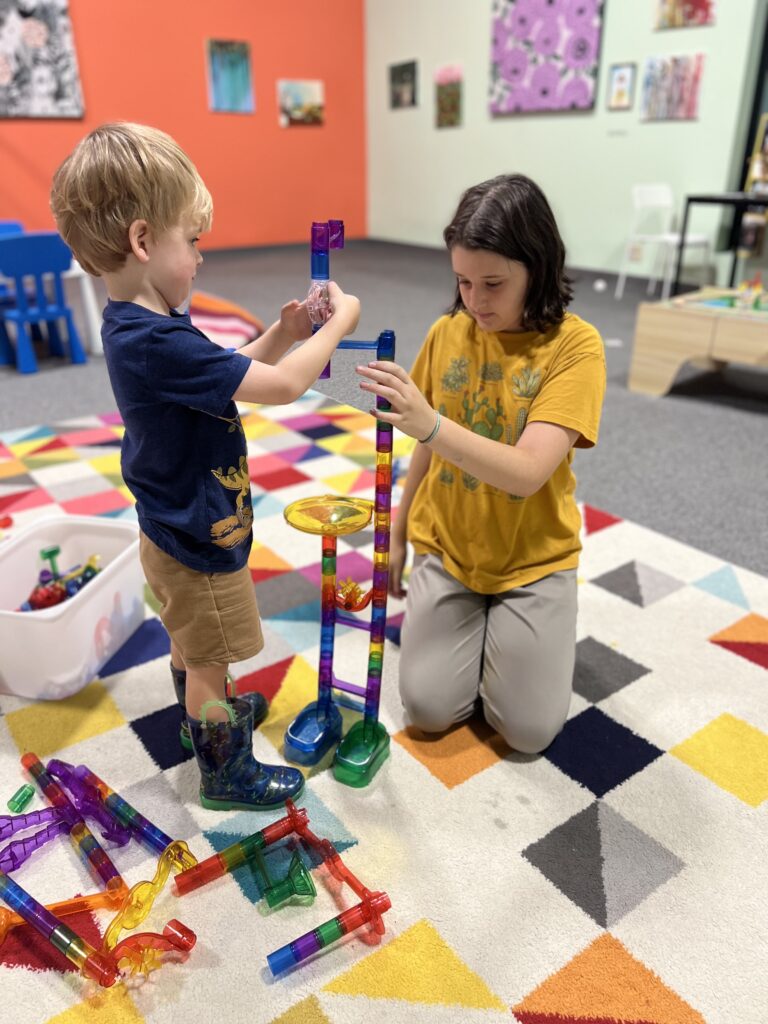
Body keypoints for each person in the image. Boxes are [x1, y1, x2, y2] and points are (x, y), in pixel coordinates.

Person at [50, 122, 360, 808]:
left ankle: (200, 722)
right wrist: (338, 327)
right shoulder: (156, 337)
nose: (199, 257)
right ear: (142, 241)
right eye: (192, 241)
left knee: (191, 643)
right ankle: (225, 768)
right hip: (198, 537)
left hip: (168, 524)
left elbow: (223, 374)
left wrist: (282, 332)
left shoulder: (139, 322)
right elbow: (279, 389)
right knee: (211, 659)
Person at [356, 174, 605, 754]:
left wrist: (431, 424)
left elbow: (527, 470)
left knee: (528, 731)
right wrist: (396, 527)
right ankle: (478, 629)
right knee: (427, 707)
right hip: (449, 548)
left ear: (537, 269)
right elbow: (425, 444)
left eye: (493, 282)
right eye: (463, 281)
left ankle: (527, 624)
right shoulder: (448, 333)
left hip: (533, 559)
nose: (475, 299)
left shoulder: (577, 346)